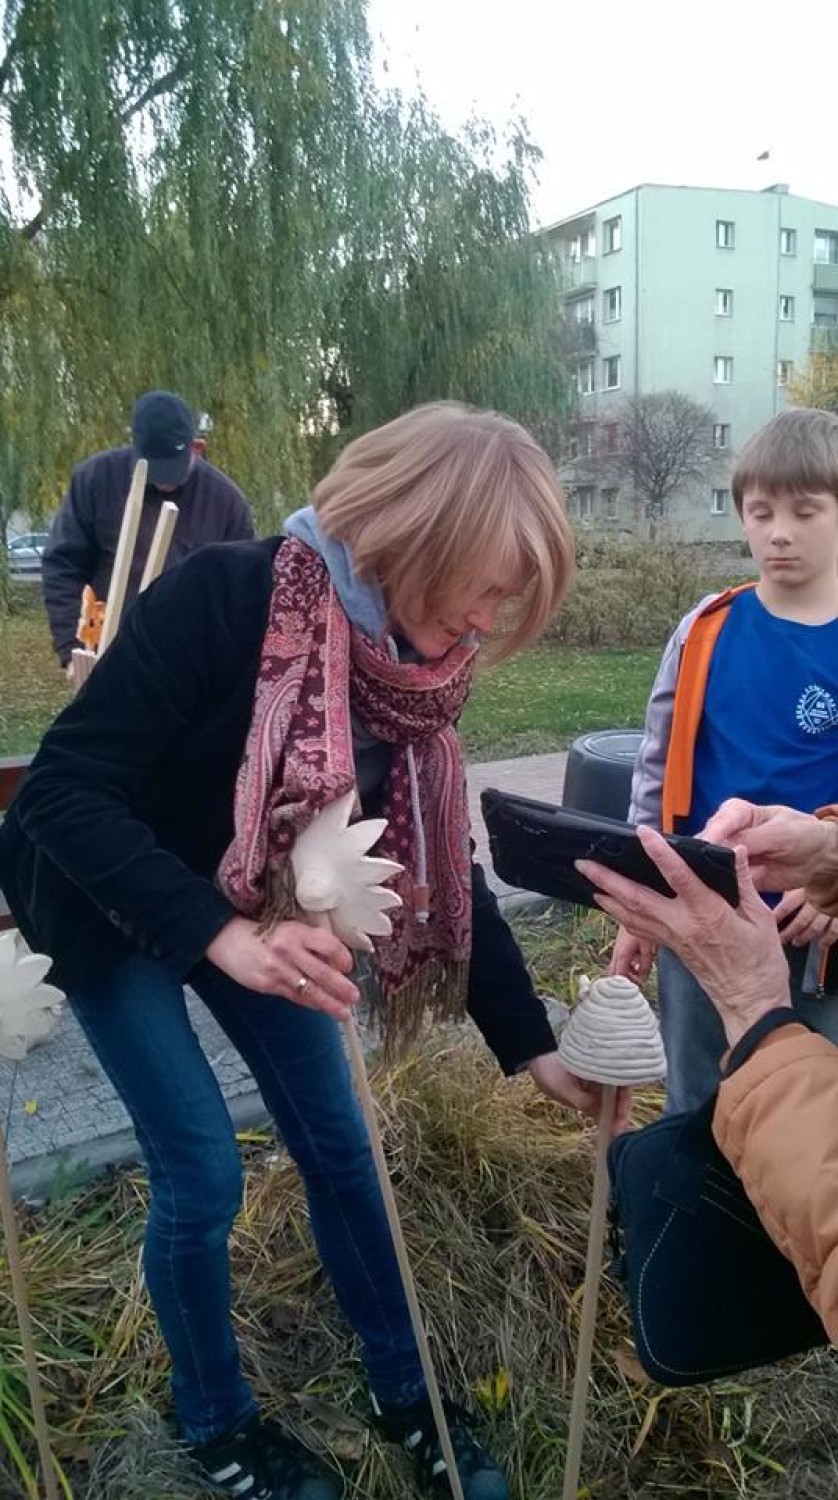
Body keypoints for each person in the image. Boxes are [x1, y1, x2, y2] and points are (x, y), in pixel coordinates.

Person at [0, 403, 617, 1500]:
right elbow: (60, 796)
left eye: (508, 602)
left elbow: (432, 868)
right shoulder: (225, 599)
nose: (488, 622)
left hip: (271, 901)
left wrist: (532, 1052)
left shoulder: (407, 671)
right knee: (199, 1166)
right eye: (481, 586)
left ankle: (409, 1397)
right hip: (110, 897)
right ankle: (218, 1425)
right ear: (408, 538)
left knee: (341, 1144)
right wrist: (218, 937)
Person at [610, 407, 838, 1112]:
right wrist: (638, 902)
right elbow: (656, 770)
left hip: (818, 929)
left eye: (806, 511)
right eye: (760, 510)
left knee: (814, 1115)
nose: (779, 532)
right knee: (701, 1102)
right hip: (701, 918)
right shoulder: (705, 629)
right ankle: (700, 1218)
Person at [577, 810, 838, 1341]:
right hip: (721, 908)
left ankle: (758, 1300)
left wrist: (755, 1010)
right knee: (697, 1109)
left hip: (786, 935)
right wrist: (831, 854)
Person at [42, 389, 253, 681]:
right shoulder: (95, 479)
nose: (165, 479)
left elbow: (240, 596)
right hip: (107, 655)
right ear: (136, 447)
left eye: (173, 466)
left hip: (188, 669)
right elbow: (63, 566)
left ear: (197, 448)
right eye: (154, 466)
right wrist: (73, 651)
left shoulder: (226, 503)